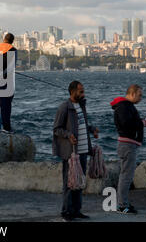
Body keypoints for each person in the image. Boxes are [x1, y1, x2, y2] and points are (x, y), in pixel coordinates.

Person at [53, 81, 99, 222]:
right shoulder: (64, 107)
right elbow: (56, 129)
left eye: (83, 91)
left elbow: (82, 124)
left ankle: (76, 210)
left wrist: (92, 129)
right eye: (80, 91)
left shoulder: (81, 106)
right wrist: (68, 135)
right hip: (71, 153)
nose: (83, 94)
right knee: (69, 182)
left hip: (84, 151)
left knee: (80, 182)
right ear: (72, 92)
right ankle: (66, 212)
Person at [111, 84, 146, 215]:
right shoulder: (123, 107)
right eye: (139, 95)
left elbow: (130, 121)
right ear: (132, 93)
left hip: (128, 144)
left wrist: (141, 121)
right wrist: (143, 123)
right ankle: (122, 205)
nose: (141, 98)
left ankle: (124, 202)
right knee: (126, 176)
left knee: (126, 175)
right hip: (127, 145)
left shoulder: (126, 106)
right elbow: (126, 124)